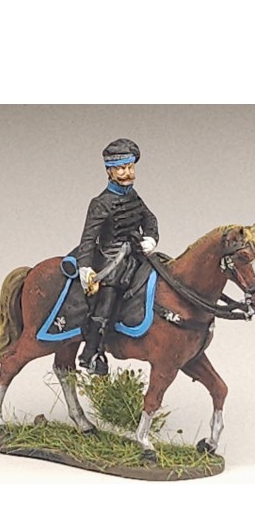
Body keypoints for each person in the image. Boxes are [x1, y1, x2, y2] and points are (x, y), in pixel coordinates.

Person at [75, 138, 159, 375]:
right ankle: (91, 353)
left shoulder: (134, 196)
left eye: (130, 167)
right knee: (107, 300)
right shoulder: (100, 203)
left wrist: (151, 238)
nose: (127, 173)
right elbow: (88, 239)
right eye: (121, 168)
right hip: (111, 258)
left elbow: (150, 219)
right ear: (109, 171)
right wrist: (85, 267)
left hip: (136, 254)